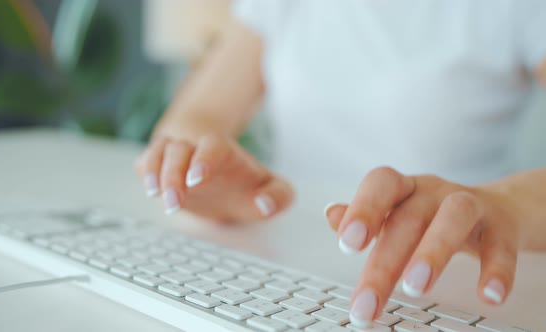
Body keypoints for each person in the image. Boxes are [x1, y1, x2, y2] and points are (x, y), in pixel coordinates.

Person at [135, 0, 546, 328]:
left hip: (454, 286)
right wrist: (196, 168)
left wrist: (508, 205)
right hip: (286, 282)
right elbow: (195, 118)